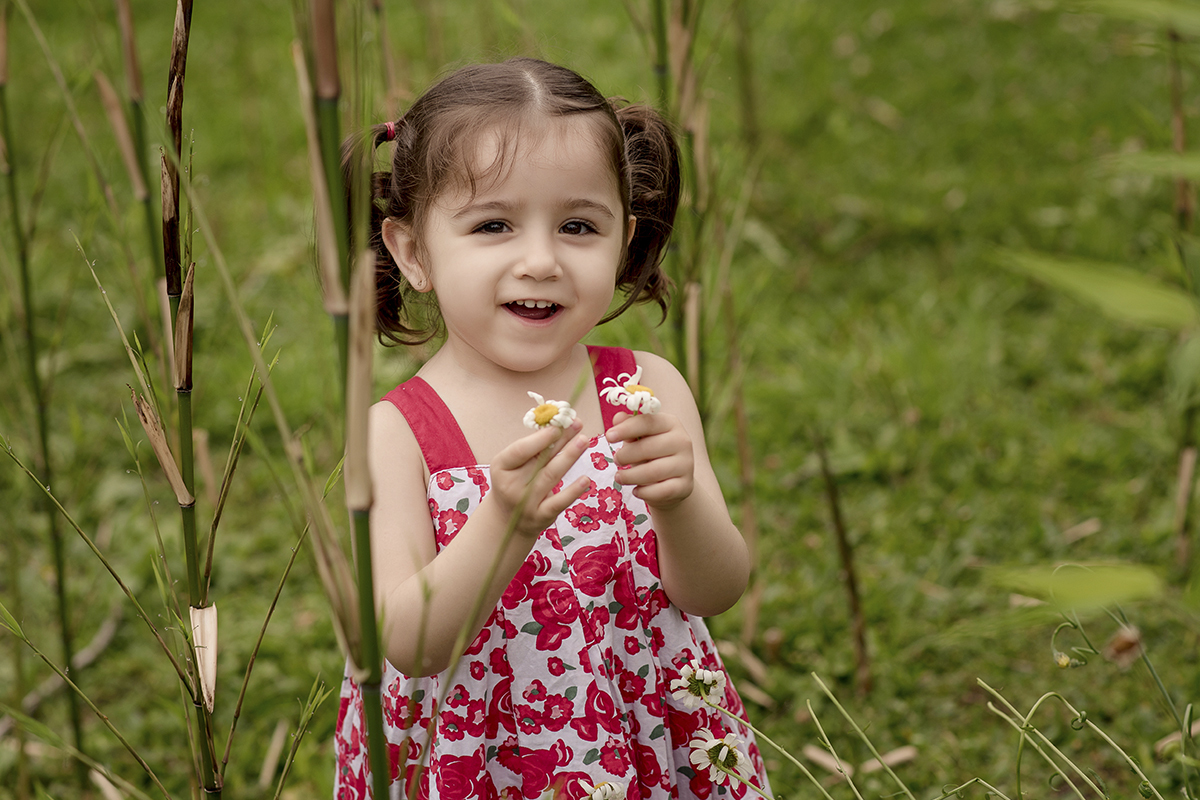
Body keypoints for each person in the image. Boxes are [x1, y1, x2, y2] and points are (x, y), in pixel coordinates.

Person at [334, 57, 770, 800]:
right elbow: (404, 641)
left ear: (624, 240)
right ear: (413, 252)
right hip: (483, 762)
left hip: (646, 743)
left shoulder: (644, 390)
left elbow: (715, 589)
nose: (540, 261)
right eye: (493, 224)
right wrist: (503, 520)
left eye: (577, 226)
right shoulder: (397, 434)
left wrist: (680, 500)